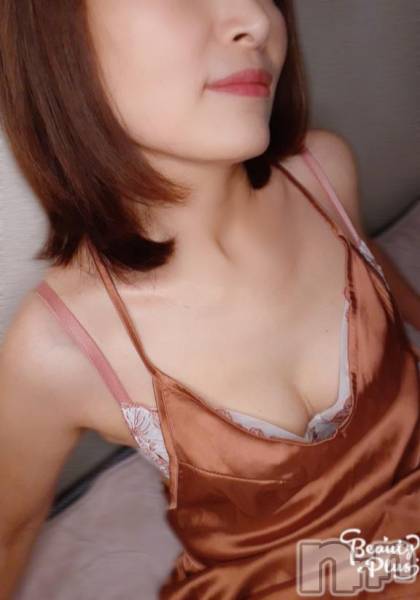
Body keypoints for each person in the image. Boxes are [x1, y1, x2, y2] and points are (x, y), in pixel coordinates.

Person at [0, 1, 419, 598]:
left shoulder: (323, 176)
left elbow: (381, 277)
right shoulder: (58, 349)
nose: (256, 19)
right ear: (56, 39)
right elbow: (8, 534)